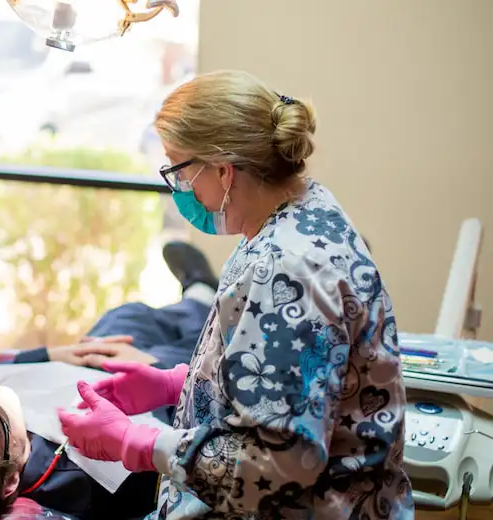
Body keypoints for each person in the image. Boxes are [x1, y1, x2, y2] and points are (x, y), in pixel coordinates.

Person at [57, 70, 413, 520]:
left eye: (178, 170)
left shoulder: (288, 267)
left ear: (223, 170)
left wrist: (139, 443)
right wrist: (178, 384)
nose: (179, 188)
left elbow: (278, 463)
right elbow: (281, 380)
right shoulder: (301, 211)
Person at [0, 241, 217, 520]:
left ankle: (194, 303)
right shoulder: (81, 484)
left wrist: (51, 354)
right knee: (187, 342)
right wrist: (157, 369)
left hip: (71, 367)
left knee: (125, 316)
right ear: (10, 482)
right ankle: (202, 292)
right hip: (147, 389)